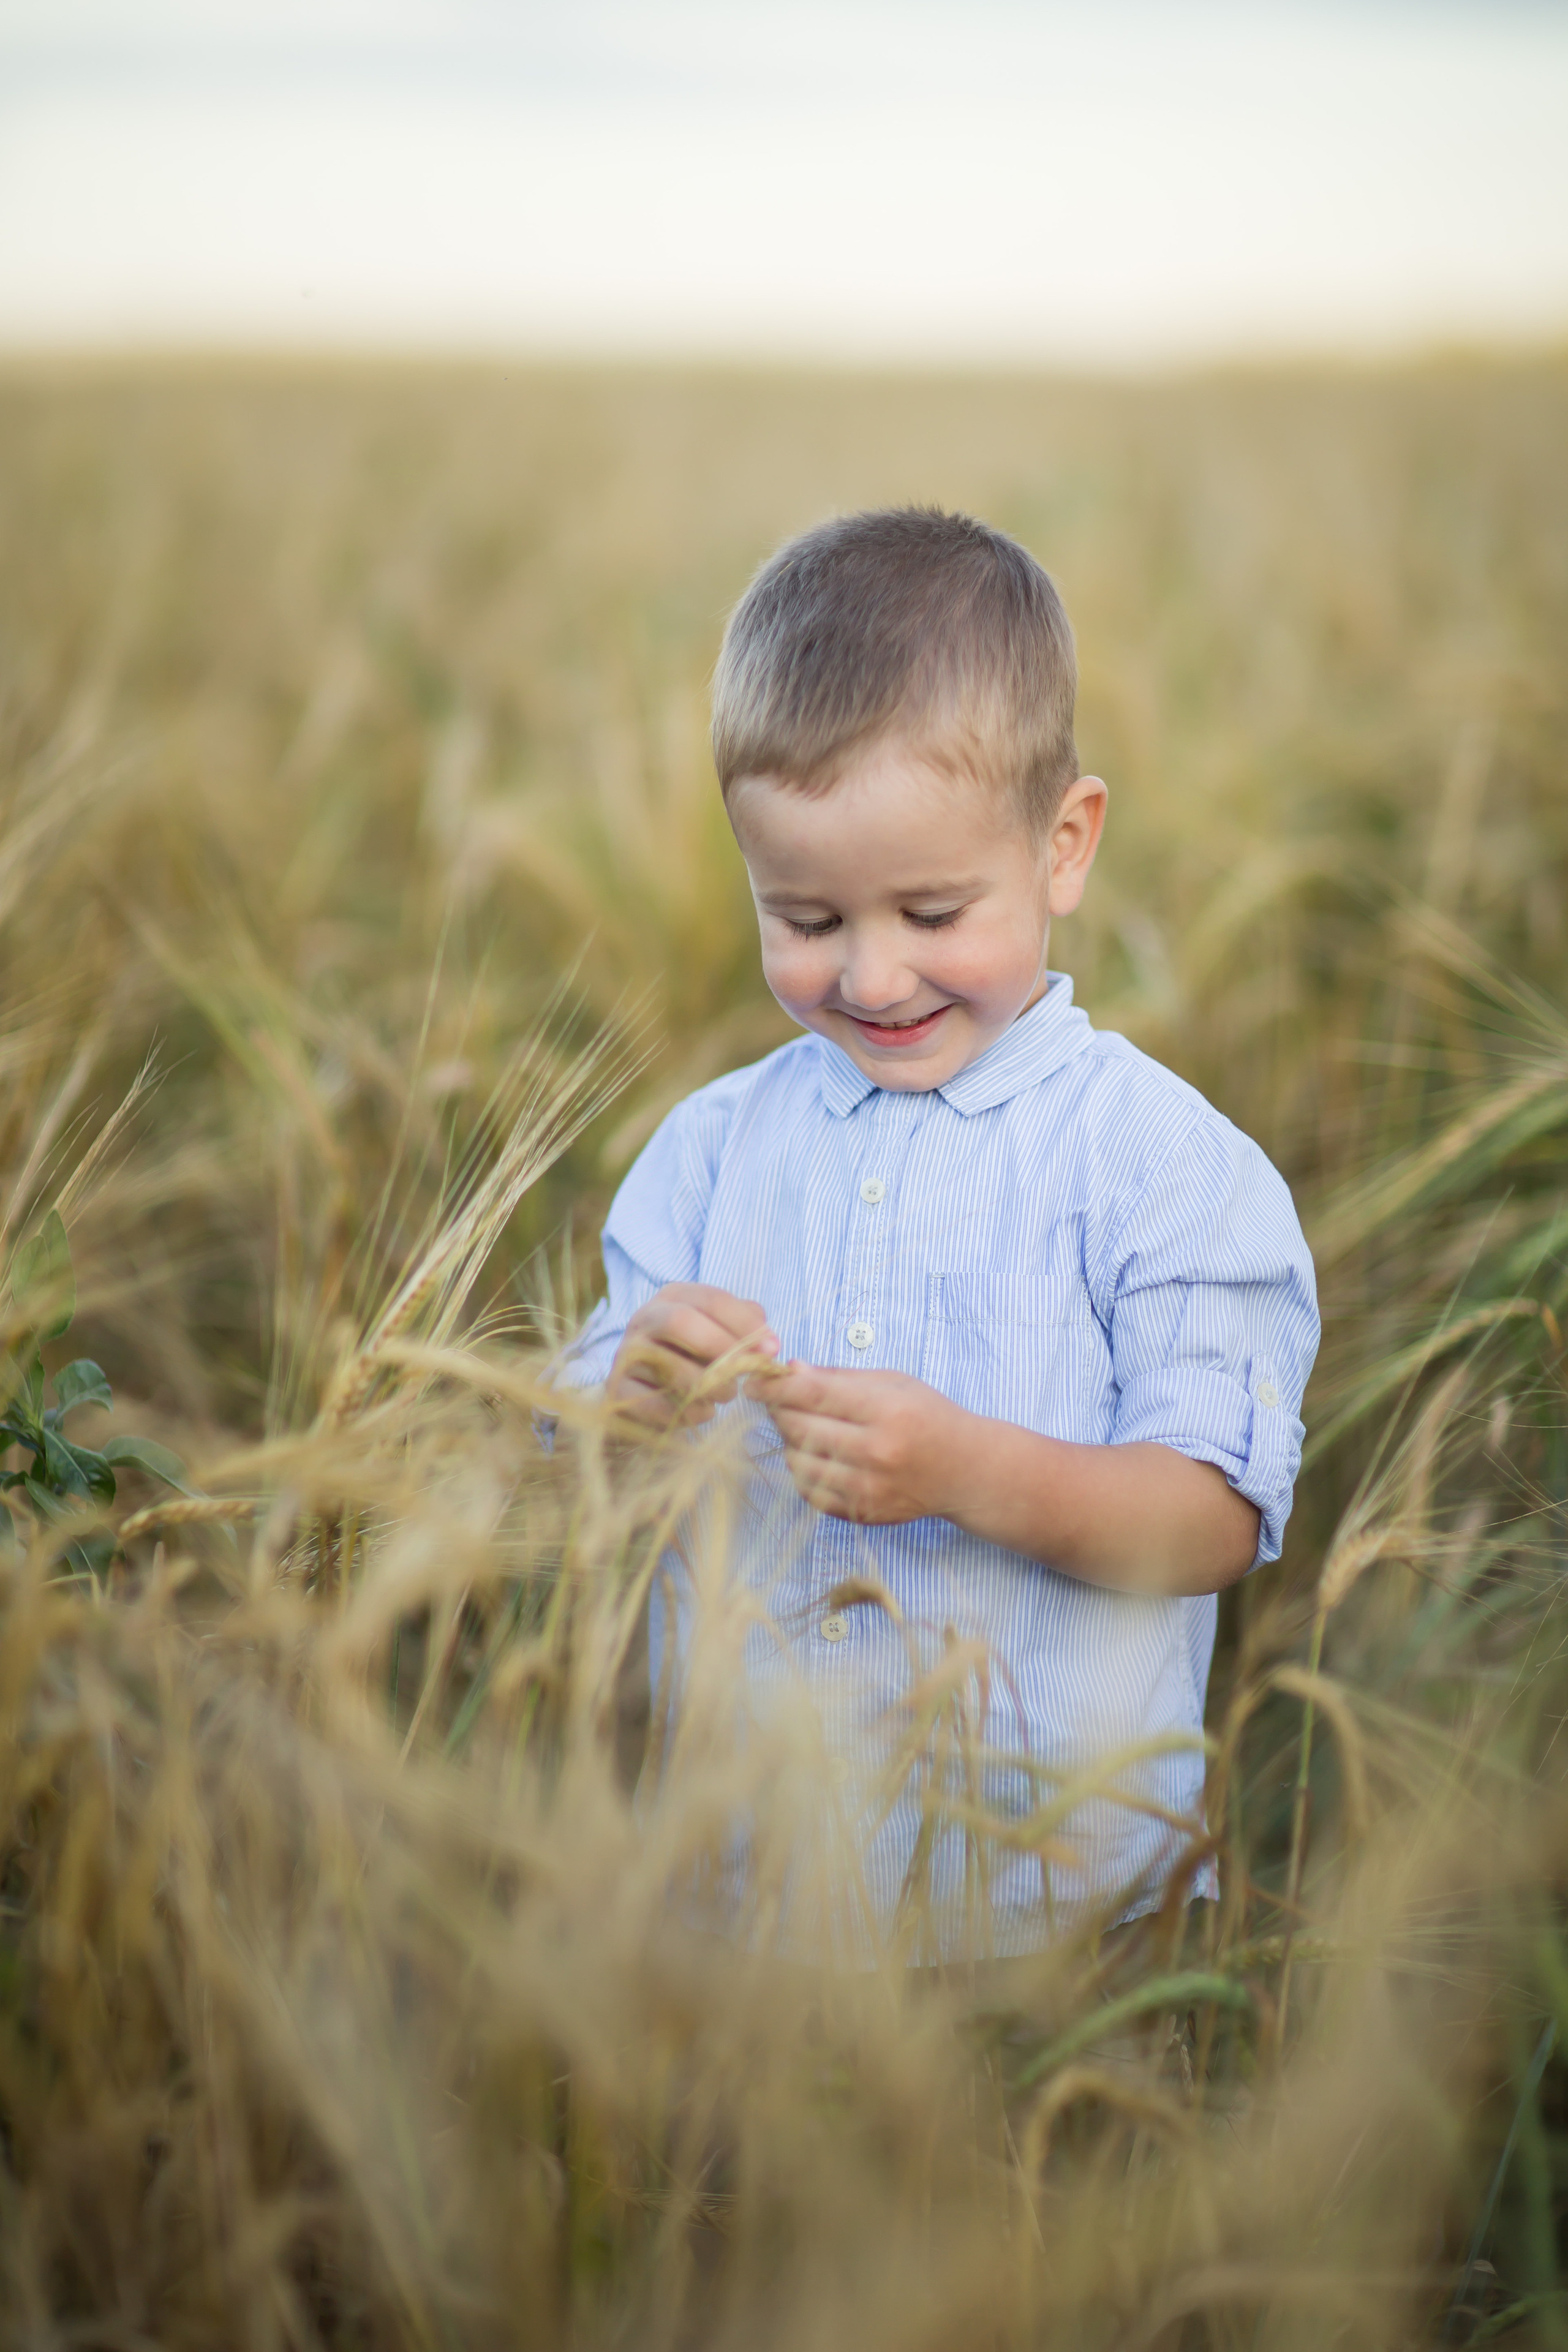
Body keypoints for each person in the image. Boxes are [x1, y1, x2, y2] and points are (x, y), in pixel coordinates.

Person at [561, 507, 1319, 1958]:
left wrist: (973, 1471)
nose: (869, 972)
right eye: (801, 915)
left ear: (1063, 842)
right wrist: (621, 1398)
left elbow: (1216, 1514)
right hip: (749, 1913)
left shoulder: (1163, 1169)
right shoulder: (711, 1154)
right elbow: (563, 1457)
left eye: (929, 907)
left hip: (1059, 1926)